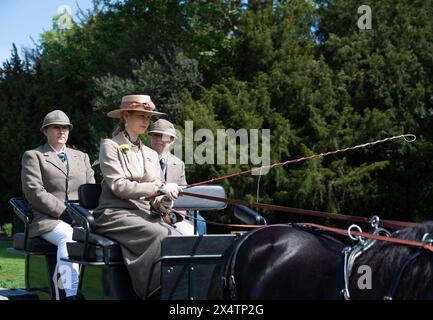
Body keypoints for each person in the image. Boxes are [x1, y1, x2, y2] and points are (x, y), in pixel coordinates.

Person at [92, 94, 189, 299]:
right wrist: (157, 186)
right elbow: (119, 186)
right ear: (126, 116)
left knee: (178, 237)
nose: (146, 121)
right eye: (141, 116)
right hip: (115, 213)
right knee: (159, 234)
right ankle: (153, 292)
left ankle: (178, 290)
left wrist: (166, 199)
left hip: (143, 213)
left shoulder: (150, 153)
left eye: (148, 117)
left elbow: (155, 198)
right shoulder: (110, 146)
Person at [21, 110, 95, 299]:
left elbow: (90, 189)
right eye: (56, 127)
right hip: (47, 219)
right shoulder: (34, 156)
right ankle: (70, 294)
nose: (62, 131)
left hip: (82, 216)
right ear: (45, 131)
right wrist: (65, 212)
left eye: (65, 128)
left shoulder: (82, 156)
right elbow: (34, 191)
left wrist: (87, 213)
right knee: (67, 235)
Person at [149, 119, 207, 235]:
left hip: (174, 213)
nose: (158, 139)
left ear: (171, 140)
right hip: (150, 212)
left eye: (163, 136)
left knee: (199, 223)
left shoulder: (179, 164)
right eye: (155, 135)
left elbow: (183, 194)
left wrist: (178, 213)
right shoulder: (142, 158)